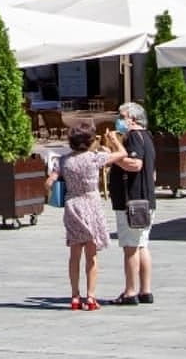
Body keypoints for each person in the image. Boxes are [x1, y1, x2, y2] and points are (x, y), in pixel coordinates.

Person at [45, 123, 129, 310]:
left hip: (73, 204)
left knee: (74, 255)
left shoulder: (63, 160)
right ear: (90, 141)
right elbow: (122, 154)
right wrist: (114, 141)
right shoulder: (94, 158)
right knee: (92, 256)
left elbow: (50, 180)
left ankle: (75, 296)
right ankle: (91, 297)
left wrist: (50, 190)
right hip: (91, 204)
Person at [105, 100, 157, 306]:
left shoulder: (135, 137)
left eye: (121, 116)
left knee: (131, 247)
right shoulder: (147, 136)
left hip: (133, 200)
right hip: (145, 199)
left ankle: (130, 291)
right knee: (142, 244)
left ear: (133, 119)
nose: (118, 120)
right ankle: (146, 290)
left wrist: (112, 157)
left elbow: (135, 164)